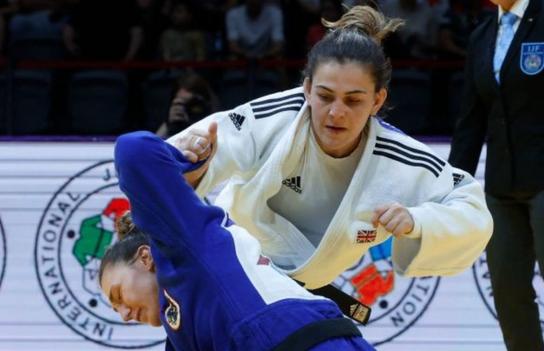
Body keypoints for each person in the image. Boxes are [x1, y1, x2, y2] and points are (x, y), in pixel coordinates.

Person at [169, 6, 493, 295]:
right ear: (307, 88)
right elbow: (183, 154)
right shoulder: (276, 116)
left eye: (353, 100)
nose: (337, 112)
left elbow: (472, 210)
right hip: (230, 264)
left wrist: (417, 219)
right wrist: (193, 163)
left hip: (304, 293)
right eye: (325, 96)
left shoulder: (398, 158)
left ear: (377, 101)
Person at [101, 131, 375, 351]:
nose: (124, 314)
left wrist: (185, 159)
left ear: (145, 258)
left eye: (119, 295)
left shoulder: (182, 242)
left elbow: (133, 149)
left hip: (301, 337)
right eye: (117, 309)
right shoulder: (182, 334)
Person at [448, 0, 544, 349]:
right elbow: (470, 122)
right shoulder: (482, 35)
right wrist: (453, 187)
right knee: (507, 290)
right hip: (501, 187)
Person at [156, 73, 217, 139]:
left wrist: (192, 120)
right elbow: (153, 146)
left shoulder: (214, 121)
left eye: (191, 103)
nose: (186, 108)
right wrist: (168, 123)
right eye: (182, 103)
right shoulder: (171, 123)